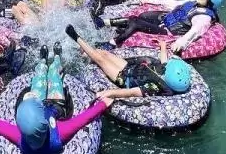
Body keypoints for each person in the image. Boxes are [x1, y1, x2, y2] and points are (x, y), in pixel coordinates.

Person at [0, 44, 109, 154]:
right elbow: (82, 119)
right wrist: (102, 105)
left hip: (40, 106)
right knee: (54, 75)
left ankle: (43, 61)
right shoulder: (59, 133)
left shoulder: (20, 137)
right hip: (56, 106)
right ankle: (56, 59)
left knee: (38, 80)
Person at [65, 25, 193, 99]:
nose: (165, 67)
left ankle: (76, 37)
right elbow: (164, 61)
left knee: (100, 59)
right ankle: (84, 53)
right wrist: (163, 46)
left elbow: (131, 92)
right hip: (130, 68)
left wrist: (109, 93)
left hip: (123, 78)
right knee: (104, 53)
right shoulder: (166, 72)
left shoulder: (155, 87)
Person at [101, 0, 224, 54]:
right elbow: (174, 3)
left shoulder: (203, 17)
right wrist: (150, 1)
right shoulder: (193, 1)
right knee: (142, 16)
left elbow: (194, 32)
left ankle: (113, 42)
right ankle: (105, 23)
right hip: (165, 19)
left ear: (211, 2)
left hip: (168, 31)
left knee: (136, 22)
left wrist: (180, 43)